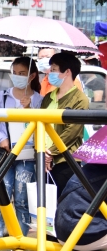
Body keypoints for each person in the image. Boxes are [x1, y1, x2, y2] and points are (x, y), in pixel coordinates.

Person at [0, 57, 43, 251]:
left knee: (22, 200)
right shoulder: (2, 96)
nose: (17, 77)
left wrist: (30, 109)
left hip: (27, 157)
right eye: (14, 72)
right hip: (5, 154)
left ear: (32, 76)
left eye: (21, 73)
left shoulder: (39, 100)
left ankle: (21, 243)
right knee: (1, 196)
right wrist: (1, 138)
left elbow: (42, 127)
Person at [42, 52, 90, 195]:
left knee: (63, 203)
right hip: (43, 160)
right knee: (45, 207)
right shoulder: (48, 97)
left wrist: (51, 153)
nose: (50, 73)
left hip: (65, 161)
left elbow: (72, 131)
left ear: (67, 72)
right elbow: (38, 124)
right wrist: (42, 152)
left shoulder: (80, 99)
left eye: (54, 70)